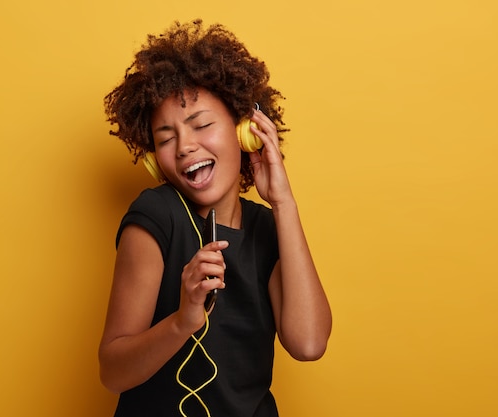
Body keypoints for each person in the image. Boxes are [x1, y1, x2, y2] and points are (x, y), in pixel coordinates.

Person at [99, 19, 332, 417]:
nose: (186, 146)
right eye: (166, 138)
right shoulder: (155, 216)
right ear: (156, 160)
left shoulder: (268, 227)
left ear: (244, 131)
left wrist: (284, 202)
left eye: (202, 125)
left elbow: (308, 344)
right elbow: (113, 372)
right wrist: (182, 320)